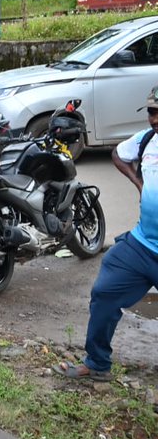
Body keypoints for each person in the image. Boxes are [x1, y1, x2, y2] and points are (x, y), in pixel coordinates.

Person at [56, 87, 158, 382]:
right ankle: (97, 363)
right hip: (142, 245)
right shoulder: (147, 140)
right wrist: (138, 183)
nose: (154, 119)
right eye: (151, 112)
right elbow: (118, 154)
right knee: (104, 293)